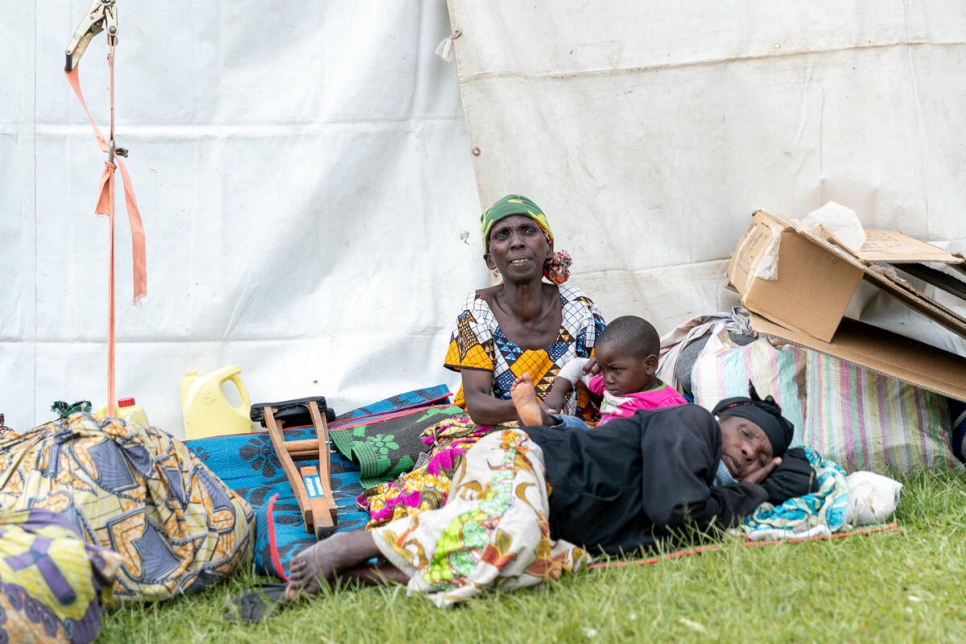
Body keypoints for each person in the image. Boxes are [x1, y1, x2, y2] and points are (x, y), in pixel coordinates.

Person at [285, 384, 815, 606]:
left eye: (759, 454)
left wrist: (762, 485)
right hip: (522, 461)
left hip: (543, 515)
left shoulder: (712, 483)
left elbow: (799, 475)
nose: (747, 452)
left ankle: (360, 575)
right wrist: (746, 496)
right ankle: (354, 544)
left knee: (534, 563)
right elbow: (673, 511)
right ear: (723, 418)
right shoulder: (692, 422)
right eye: (745, 433)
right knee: (513, 533)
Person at [356, 194, 605, 529]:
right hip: (497, 430)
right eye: (502, 235)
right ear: (490, 259)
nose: (516, 242)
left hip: (568, 430)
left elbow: (604, 385)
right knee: (459, 461)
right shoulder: (477, 310)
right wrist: (526, 409)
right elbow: (477, 405)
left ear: (548, 247)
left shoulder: (581, 308)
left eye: (528, 231)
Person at [510, 315, 687, 431]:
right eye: (603, 369)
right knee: (575, 426)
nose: (607, 378)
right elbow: (579, 365)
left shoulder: (667, 403)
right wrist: (557, 393)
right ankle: (543, 420)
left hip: (631, 456)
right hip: (596, 440)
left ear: (649, 365)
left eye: (616, 369)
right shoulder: (614, 383)